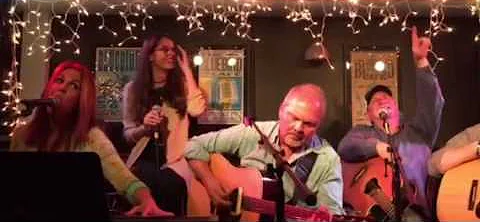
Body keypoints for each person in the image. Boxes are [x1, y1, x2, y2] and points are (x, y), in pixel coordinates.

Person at [9, 61, 171, 217]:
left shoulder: (92, 137)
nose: (63, 88)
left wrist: (146, 200)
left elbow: (125, 180)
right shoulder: (22, 134)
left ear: (82, 100)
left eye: (74, 86)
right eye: (59, 80)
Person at [185, 83, 344, 217]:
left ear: (319, 125)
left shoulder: (328, 159)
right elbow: (194, 144)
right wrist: (209, 181)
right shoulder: (254, 133)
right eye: (294, 118)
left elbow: (332, 213)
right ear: (281, 110)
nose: (298, 128)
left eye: (309, 124)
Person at [337, 26, 445, 220]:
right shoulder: (361, 132)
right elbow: (345, 147)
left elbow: (433, 103)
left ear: (397, 106)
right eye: (374, 100)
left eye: (386, 97)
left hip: (418, 213)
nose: (381, 99)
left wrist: (421, 62)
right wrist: (377, 147)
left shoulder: (419, 131)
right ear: (369, 114)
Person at [122, 34, 206, 216]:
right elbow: (128, 134)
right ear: (150, 55)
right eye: (164, 49)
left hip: (174, 162)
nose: (171, 54)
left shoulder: (182, 86)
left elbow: (197, 109)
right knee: (141, 185)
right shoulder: (132, 89)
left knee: (170, 184)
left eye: (173, 50)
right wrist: (145, 127)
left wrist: (186, 70)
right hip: (143, 162)